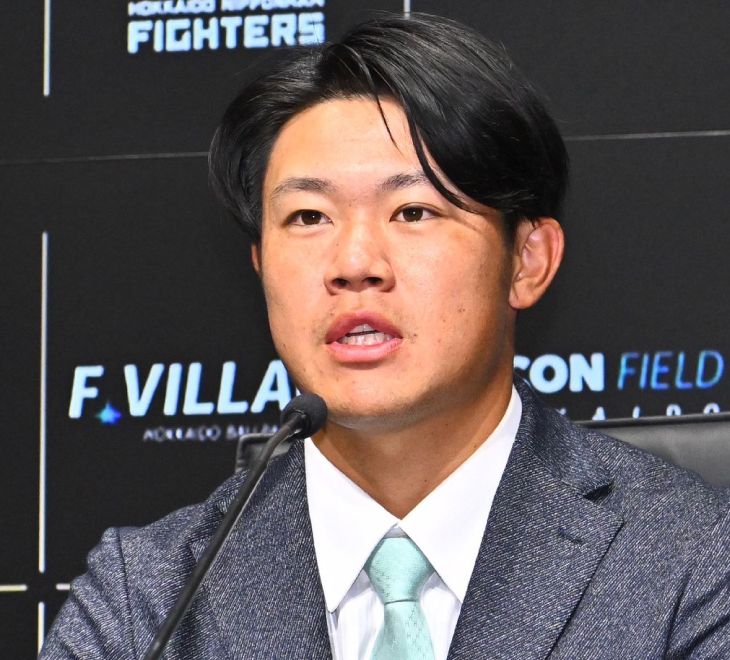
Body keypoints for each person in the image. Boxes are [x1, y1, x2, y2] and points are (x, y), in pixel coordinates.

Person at [40, 13, 730, 660]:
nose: (353, 263)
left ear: (526, 261)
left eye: (413, 211)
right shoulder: (147, 600)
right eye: (309, 217)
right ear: (260, 264)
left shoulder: (690, 564)